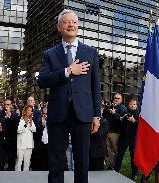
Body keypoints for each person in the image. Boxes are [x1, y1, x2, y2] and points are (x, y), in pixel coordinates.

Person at [38, 9, 101, 183]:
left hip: (83, 114)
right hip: (58, 115)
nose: (70, 25)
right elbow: (42, 80)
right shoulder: (49, 54)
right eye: (66, 22)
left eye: (73, 22)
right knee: (56, 162)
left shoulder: (91, 53)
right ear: (59, 27)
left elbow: (96, 86)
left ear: (78, 26)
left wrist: (97, 115)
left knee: (82, 162)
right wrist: (67, 71)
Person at [114, 98, 138, 181]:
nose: (132, 105)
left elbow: (141, 126)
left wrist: (134, 121)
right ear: (129, 105)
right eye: (131, 104)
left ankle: (134, 174)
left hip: (133, 138)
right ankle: (116, 171)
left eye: (134, 104)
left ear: (136, 105)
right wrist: (121, 118)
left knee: (134, 157)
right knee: (119, 155)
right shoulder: (124, 112)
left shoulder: (138, 114)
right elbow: (117, 119)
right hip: (123, 138)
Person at [15, 105, 36, 171]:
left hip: (29, 145)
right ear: (25, 111)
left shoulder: (32, 121)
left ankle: (25, 178)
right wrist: (25, 124)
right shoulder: (20, 120)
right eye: (28, 110)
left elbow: (34, 130)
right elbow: (18, 130)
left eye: (31, 111)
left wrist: (30, 123)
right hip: (21, 145)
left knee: (27, 164)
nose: (30, 112)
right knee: (19, 162)